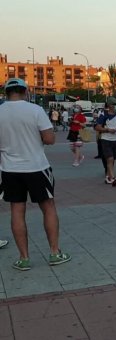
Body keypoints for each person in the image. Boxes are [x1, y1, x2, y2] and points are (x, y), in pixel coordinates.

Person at [0, 78, 71, 271]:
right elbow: (49, 139)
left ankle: (24, 258)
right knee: (48, 207)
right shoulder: (35, 110)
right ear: (25, 91)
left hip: (10, 169)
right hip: (37, 166)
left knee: (17, 210)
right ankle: (55, 253)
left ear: (7, 93)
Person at [95, 97, 116, 186]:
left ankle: (108, 177)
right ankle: (113, 178)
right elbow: (97, 127)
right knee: (110, 158)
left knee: (112, 159)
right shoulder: (104, 114)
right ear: (110, 105)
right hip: (106, 139)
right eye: (114, 104)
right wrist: (108, 130)